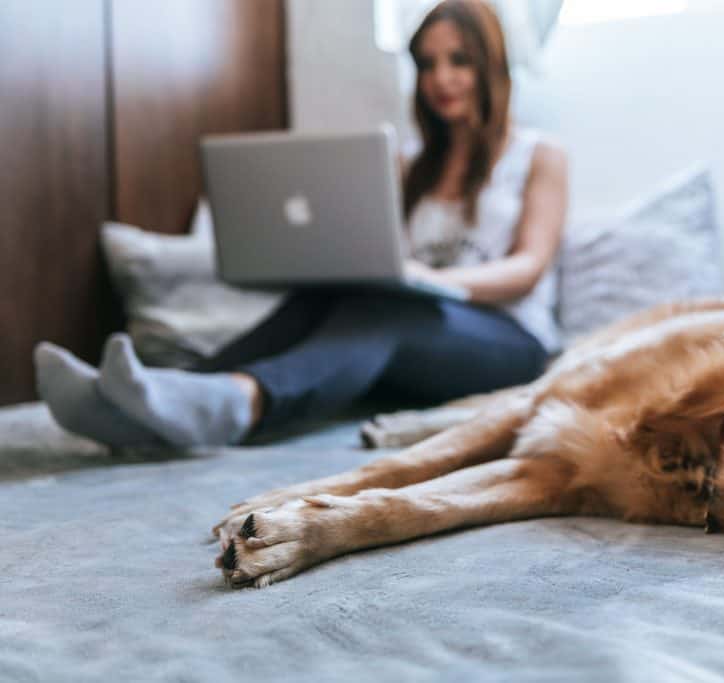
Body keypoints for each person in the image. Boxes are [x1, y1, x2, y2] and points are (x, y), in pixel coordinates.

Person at [34, 0, 567, 448]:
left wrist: (433, 282)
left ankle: (240, 401)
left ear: (489, 65)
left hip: (509, 341)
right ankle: (156, 397)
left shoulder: (538, 154)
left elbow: (528, 266)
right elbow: (379, 251)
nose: (441, 79)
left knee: (384, 310)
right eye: (427, 64)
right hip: (413, 326)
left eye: (458, 61)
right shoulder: (408, 163)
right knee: (331, 299)